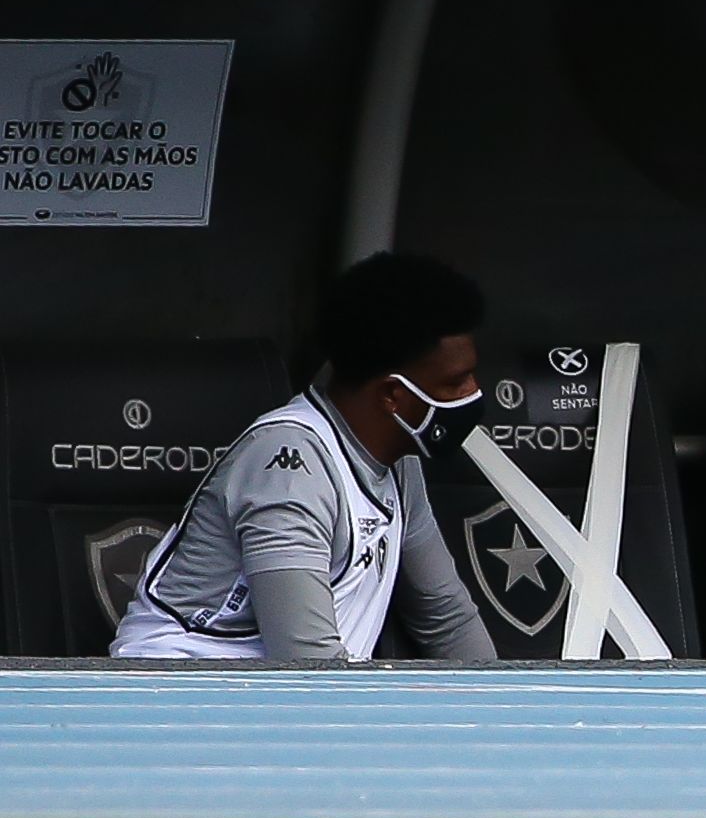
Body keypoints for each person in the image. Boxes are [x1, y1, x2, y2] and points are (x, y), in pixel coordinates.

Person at [111, 252, 499, 663]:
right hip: (181, 695)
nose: (473, 391)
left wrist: (504, 715)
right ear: (392, 396)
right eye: (456, 381)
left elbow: (445, 616)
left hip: (284, 701)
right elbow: (306, 663)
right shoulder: (288, 467)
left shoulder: (400, 458)